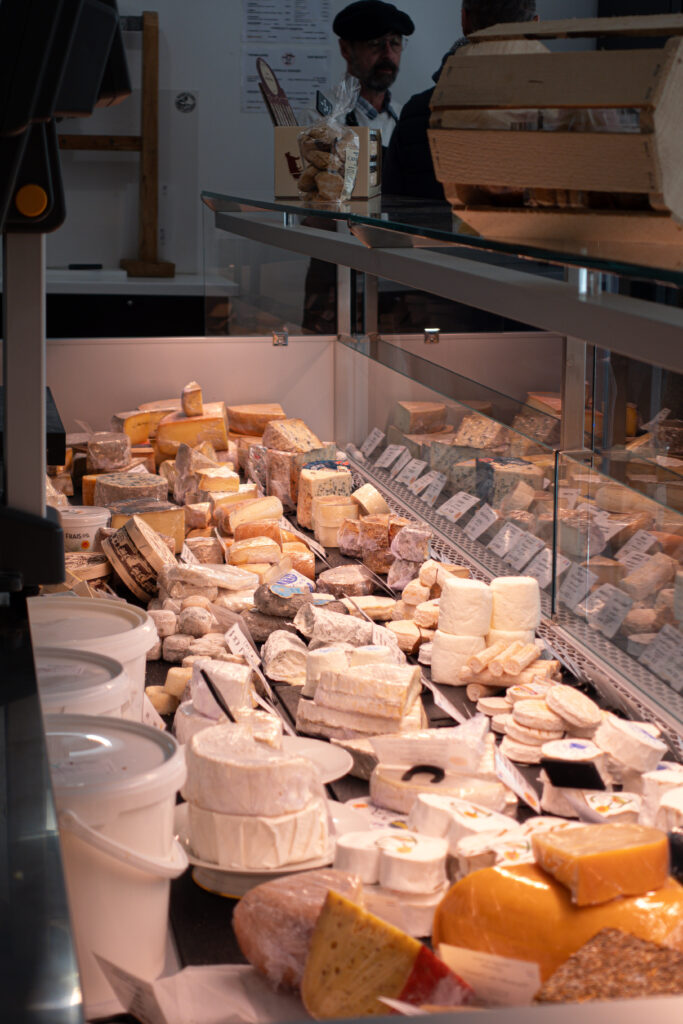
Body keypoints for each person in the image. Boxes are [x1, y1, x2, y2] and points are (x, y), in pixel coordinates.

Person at [383, 0, 539, 199]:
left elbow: (391, 210)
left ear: (464, 20)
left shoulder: (416, 112)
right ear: (535, 26)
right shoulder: (562, 112)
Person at [332, 0, 415, 149]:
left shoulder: (406, 119)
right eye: (375, 43)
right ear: (345, 49)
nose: (388, 54)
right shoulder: (319, 120)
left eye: (395, 42)